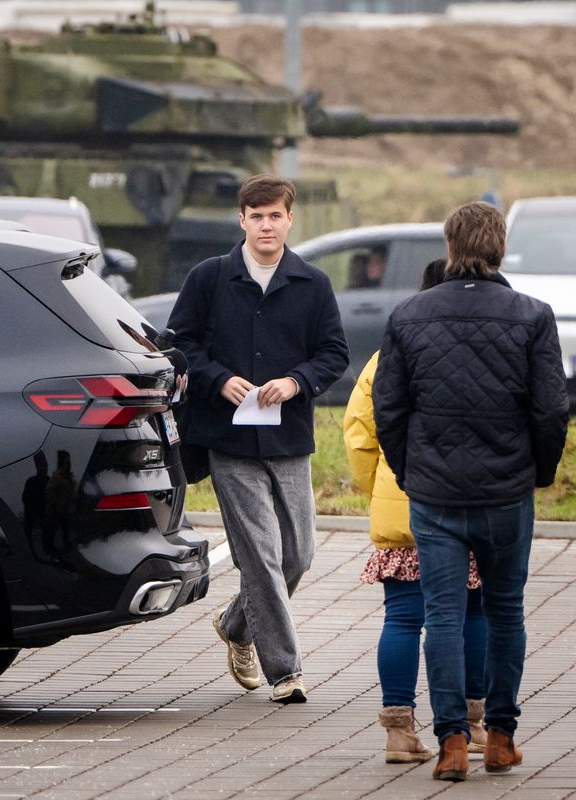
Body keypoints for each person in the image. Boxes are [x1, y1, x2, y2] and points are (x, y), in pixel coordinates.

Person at [373, 201, 568, 780]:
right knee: (506, 613)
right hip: (507, 492)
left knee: (442, 615)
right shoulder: (533, 316)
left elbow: (388, 409)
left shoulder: (408, 316)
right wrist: (539, 471)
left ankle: (453, 742)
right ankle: (501, 737)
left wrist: (413, 472)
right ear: (500, 248)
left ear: (450, 247)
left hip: (435, 495)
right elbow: (551, 409)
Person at [169, 174, 349, 704]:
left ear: (290, 220)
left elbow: (334, 353)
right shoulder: (210, 278)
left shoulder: (312, 283)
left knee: (297, 556)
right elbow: (180, 346)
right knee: (261, 558)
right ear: (241, 220)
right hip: (228, 443)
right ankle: (285, 671)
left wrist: (296, 382)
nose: (266, 224)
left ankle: (236, 625)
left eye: (275, 215)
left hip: (290, 439)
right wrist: (219, 378)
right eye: (256, 215)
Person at [344, 259, 488, 765]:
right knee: (473, 612)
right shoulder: (478, 347)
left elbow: (360, 433)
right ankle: (474, 726)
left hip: (402, 503)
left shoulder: (390, 352)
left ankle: (398, 733)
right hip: (468, 498)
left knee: (403, 618)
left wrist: (381, 487)